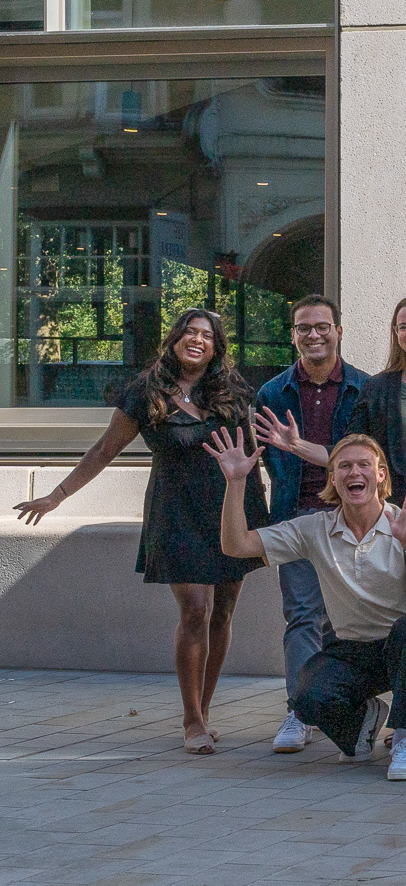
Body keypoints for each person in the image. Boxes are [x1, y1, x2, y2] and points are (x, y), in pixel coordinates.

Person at [15, 308, 270, 755]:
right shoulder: (146, 390)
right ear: (174, 339)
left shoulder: (231, 390)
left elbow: (256, 447)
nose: (197, 340)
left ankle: (204, 713)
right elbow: (103, 450)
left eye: (206, 336)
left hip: (231, 508)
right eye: (189, 332)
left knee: (224, 612)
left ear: (216, 347)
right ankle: (191, 721)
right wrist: (56, 496)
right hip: (176, 512)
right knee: (194, 609)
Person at [256, 295, 406, 723]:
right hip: (401, 502)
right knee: (400, 607)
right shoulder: (378, 389)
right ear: (395, 335)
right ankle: (386, 705)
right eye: (403, 327)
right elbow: (349, 454)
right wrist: (297, 446)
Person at [209, 430, 406, 779]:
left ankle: (405, 738)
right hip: (351, 650)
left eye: (364, 465)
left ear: (380, 475)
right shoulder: (315, 529)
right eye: (344, 466)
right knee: (305, 699)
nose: (355, 473)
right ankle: (364, 720)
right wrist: (237, 482)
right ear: (333, 477)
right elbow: (236, 545)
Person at [253, 295, 368, 756]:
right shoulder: (271, 393)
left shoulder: (364, 388)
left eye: (323, 326)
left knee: (348, 620)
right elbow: (270, 463)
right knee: (302, 616)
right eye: (304, 328)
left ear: (339, 330)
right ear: (294, 334)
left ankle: (340, 705)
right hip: (297, 518)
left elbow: (365, 459)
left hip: (352, 520)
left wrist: (303, 448)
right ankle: (299, 713)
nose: (314, 334)